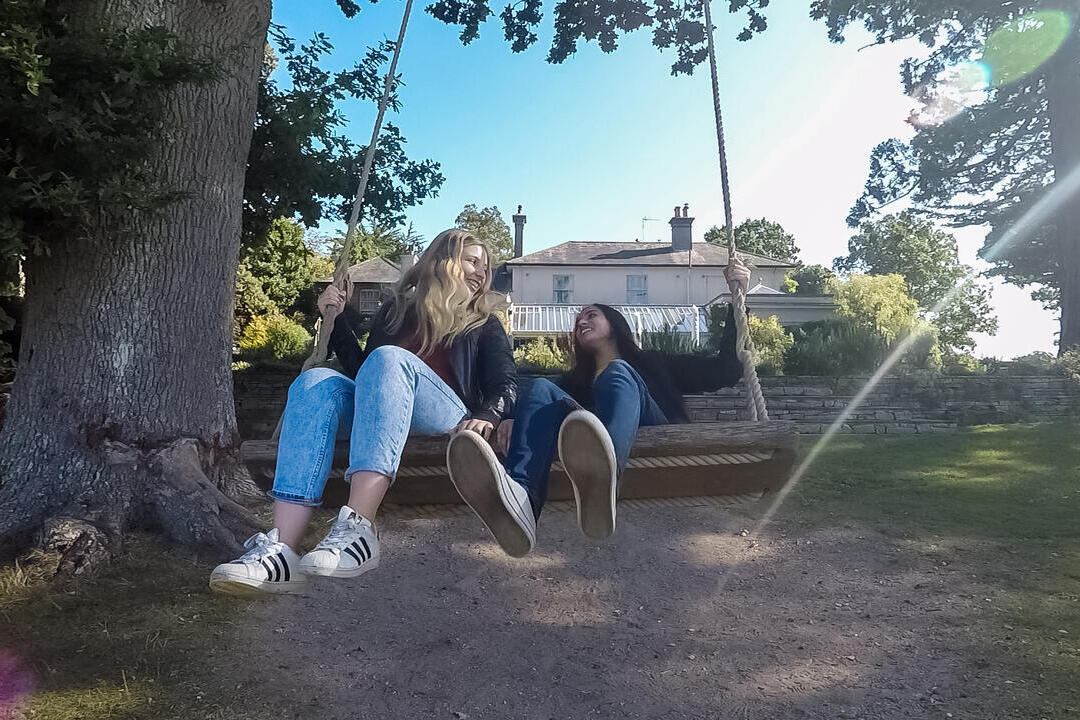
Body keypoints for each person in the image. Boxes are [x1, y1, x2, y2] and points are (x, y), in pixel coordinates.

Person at [210, 229, 516, 594]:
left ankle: (357, 528)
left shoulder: (483, 322)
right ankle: (282, 551)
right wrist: (337, 320)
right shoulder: (398, 311)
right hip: (384, 414)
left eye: (486, 265)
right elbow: (366, 374)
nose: (482, 271)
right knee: (316, 382)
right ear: (442, 260)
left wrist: (490, 414)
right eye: (472, 260)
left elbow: (505, 383)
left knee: (389, 358)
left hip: (445, 417)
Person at [445, 259, 752, 557]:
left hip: (653, 428)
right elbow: (537, 409)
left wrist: (740, 299)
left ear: (615, 324)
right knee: (540, 387)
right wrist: (511, 418)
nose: (582, 321)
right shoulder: (572, 384)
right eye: (578, 320)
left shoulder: (654, 363)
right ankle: (521, 500)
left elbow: (725, 370)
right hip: (589, 444)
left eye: (591, 315)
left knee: (617, 372)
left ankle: (606, 475)